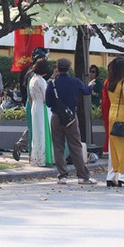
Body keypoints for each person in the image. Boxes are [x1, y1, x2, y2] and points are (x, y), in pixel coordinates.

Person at [45, 57, 97, 185]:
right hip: (71, 118)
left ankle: (62, 176)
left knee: (58, 146)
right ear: (69, 68)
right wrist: (90, 86)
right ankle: (82, 176)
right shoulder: (75, 81)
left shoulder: (52, 84)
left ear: (57, 68)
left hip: (56, 117)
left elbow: (48, 102)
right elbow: (85, 91)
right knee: (75, 146)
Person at [105, 57, 124, 187]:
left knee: (113, 148)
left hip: (112, 115)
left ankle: (111, 176)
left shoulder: (109, 82)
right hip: (122, 116)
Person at [28, 58, 54, 167]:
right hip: (43, 107)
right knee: (44, 131)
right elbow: (46, 97)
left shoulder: (32, 79)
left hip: (35, 106)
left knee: (37, 132)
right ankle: (44, 158)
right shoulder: (41, 81)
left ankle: (36, 158)